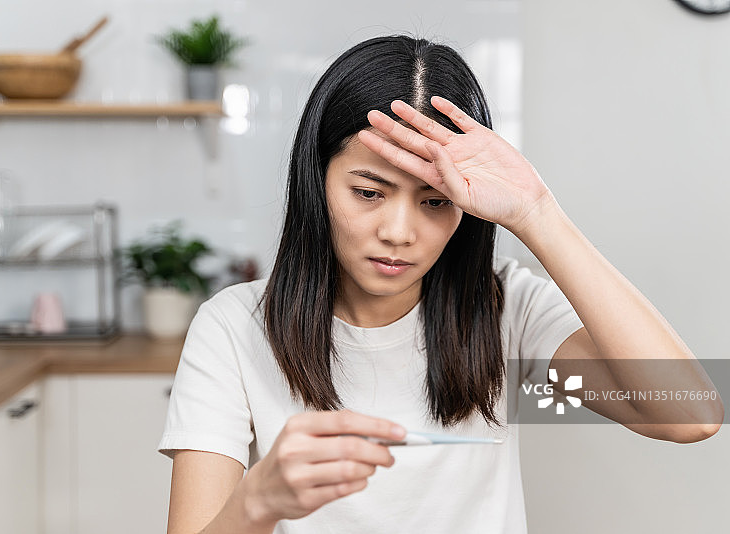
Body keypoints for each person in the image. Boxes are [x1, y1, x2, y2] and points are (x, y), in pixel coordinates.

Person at [158, 35, 723, 534]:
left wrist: (538, 215)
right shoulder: (234, 327)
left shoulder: (508, 311)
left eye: (436, 202)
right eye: (369, 192)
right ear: (317, 180)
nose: (399, 232)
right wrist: (257, 504)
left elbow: (688, 416)